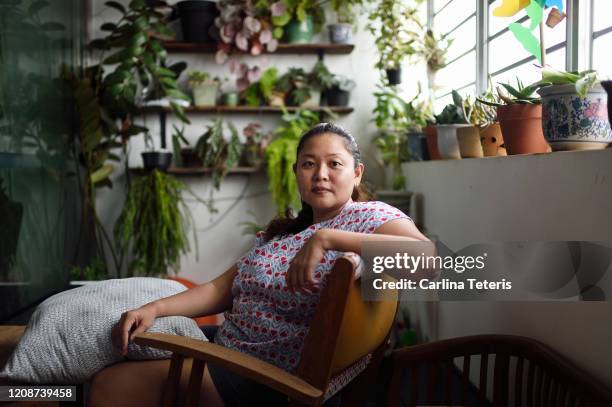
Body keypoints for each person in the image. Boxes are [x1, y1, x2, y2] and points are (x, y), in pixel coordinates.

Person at [111, 123, 430, 407]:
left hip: (266, 378)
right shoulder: (286, 230)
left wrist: (328, 239)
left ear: (357, 172)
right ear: (296, 172)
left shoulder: (368, 217)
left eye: (334, 164)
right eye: (309, 164)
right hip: (224, 346)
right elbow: (219, 288)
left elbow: (427, 262)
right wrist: (154, 309)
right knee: (116, 350)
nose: (320, 174)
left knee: (111, 386)